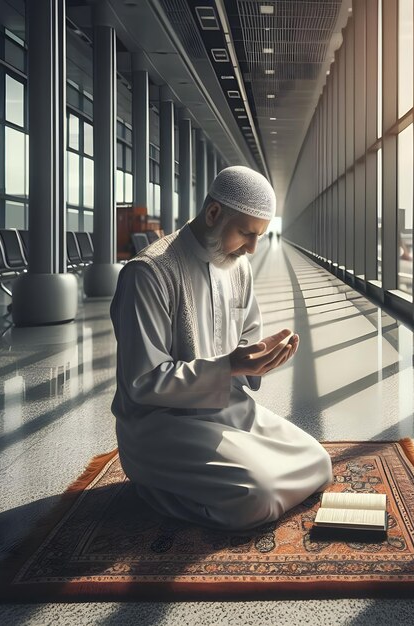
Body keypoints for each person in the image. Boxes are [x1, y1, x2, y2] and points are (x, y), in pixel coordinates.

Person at [110, 166, 333, 531]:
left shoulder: (237, 267)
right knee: (256, 497)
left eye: (259, 235)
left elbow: (248, 335)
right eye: (246, 233)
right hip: (161, 425)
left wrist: (258, 357)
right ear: (214, 213)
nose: (252, 247)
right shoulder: (148, 273)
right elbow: (143, 382)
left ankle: (224, 473)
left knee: (318, 463)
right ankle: (156, 487)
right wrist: (229, 365)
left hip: (227, 409)